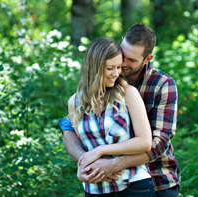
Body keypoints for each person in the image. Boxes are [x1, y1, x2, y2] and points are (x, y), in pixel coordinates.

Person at [60, 23, 180, 197]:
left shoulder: (162, 85)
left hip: (157, 176)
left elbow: (158, 142)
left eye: (131, 60)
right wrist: (85, 163)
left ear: (147, 59)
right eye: (122, 55)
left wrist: (113, 164)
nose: (122, 64)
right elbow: (72, 129)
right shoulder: (102, 82)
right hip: (104, 182)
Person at [63, 37, 155, 196]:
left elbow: (145, 142)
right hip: (96, 189)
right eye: (110, 68)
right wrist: (82, 167)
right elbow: (80, 147)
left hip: (133, 185)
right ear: (94, 68)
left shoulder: (128, 94)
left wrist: (101, 150)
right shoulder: (75, 102)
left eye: (118, 67)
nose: (116, 73)